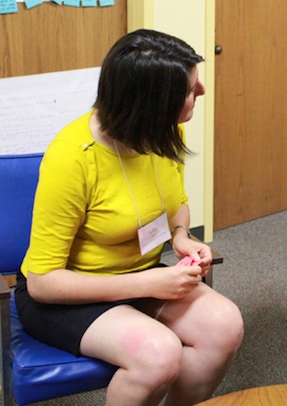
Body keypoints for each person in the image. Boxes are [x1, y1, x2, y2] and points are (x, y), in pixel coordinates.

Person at [16, 29, 244, 406]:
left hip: (142, 278)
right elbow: (42, 282)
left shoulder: (161, 132)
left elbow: (176, 203)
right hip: (66, 298)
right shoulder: (72, 157)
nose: (201, 92)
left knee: (225, 325)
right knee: (158, 355)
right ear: (149, 104)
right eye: (189, 90)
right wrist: (151, 283)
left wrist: (181, 235)